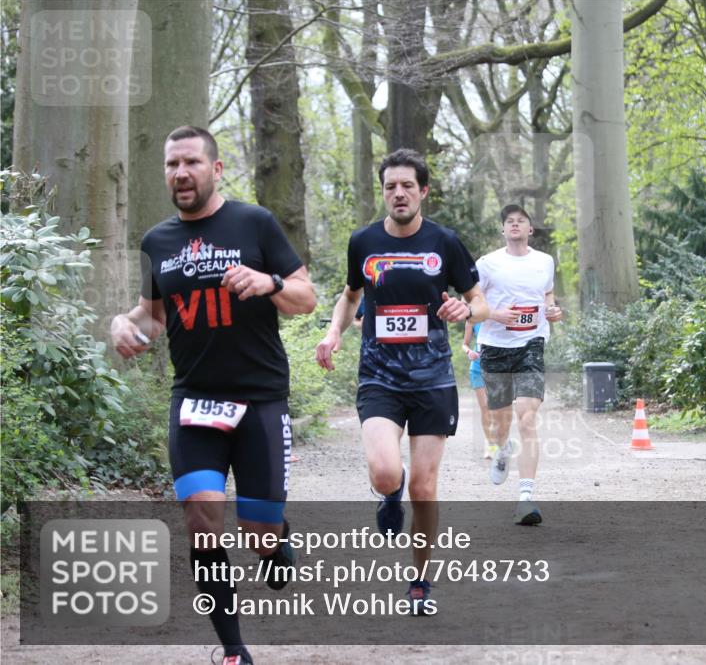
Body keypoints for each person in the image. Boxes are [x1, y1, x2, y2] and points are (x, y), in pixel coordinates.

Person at [110, 126, 316, 665]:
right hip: (194, 400)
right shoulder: (157, 242)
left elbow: (306, 297)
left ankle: (275, 538)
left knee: (260, 538)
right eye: (172, 164)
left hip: (261, 399)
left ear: (216, 168)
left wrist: (268, 282)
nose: (181, 173)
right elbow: (153, 318)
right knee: (202, 517)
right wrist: (122, 325)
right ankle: (233, 649)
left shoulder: (255, 223)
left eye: (192, 163)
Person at [314, 148, 486, 614]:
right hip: (380, 378)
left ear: (423, 191)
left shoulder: (444, 242)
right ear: (384, 192)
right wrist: (334, 333)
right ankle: (388, 493)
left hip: (432, 380)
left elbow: (479, 300)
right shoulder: (363, 242)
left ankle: (420, 579)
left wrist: (466, 309)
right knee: (388, 472)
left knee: (425, 488)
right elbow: (349, 297)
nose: (399, 193)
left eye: (408, 185)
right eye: (391, 186)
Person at [476, 203, 562, 525]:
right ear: (503, 230)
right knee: (500, 424)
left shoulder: (544, 262)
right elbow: (470, 306)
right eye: (509, 221)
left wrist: (553, 310)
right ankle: (501, 449)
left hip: (531, 344)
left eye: (521, 221)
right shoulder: (487, 264)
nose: (515, 225)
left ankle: (526, 498)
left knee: (527, 418)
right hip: (495, 348)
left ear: (530, 229)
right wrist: (494, 314)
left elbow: (548, 296)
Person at [462, 320, 496, 458]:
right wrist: (469, 351)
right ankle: (491, 445)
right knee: (485, 408)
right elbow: (464, 344)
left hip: (498, 368)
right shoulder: (472, 319)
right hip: (477, 368)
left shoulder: (499, 315)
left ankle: (501, 441)